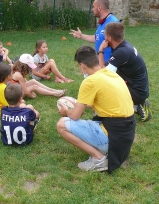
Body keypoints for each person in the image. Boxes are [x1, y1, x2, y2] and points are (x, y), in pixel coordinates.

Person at [57, 45, 136, 173]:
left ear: (82, 66)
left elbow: (75, 115)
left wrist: (66, 112)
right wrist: (78, 103)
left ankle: (98, 159)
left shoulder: (90, 81)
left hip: (113, 138)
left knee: (62, 125)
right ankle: (104, 151)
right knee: (94, 117)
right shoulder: (112, 75)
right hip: (125, 138)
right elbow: (103, 102)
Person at [98, 22, 151, 122]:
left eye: (104, 35)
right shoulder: (123, 46)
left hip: (137, 92)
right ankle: (137, 103)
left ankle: (136, 106)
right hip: (139, 88)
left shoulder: (122, 52)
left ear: (109, 38)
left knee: (105, 89)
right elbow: (106, 67)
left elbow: (102, 73)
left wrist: (101, 50)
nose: (104, 38)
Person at [70, 0, 119, 64]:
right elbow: (97, 38)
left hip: (109, 65)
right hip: (99, 63)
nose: (92, 9)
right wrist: (81, 36)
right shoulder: (102, 22)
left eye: (93, 7)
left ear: (99, 7)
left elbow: (118, 46)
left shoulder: (113, 23)